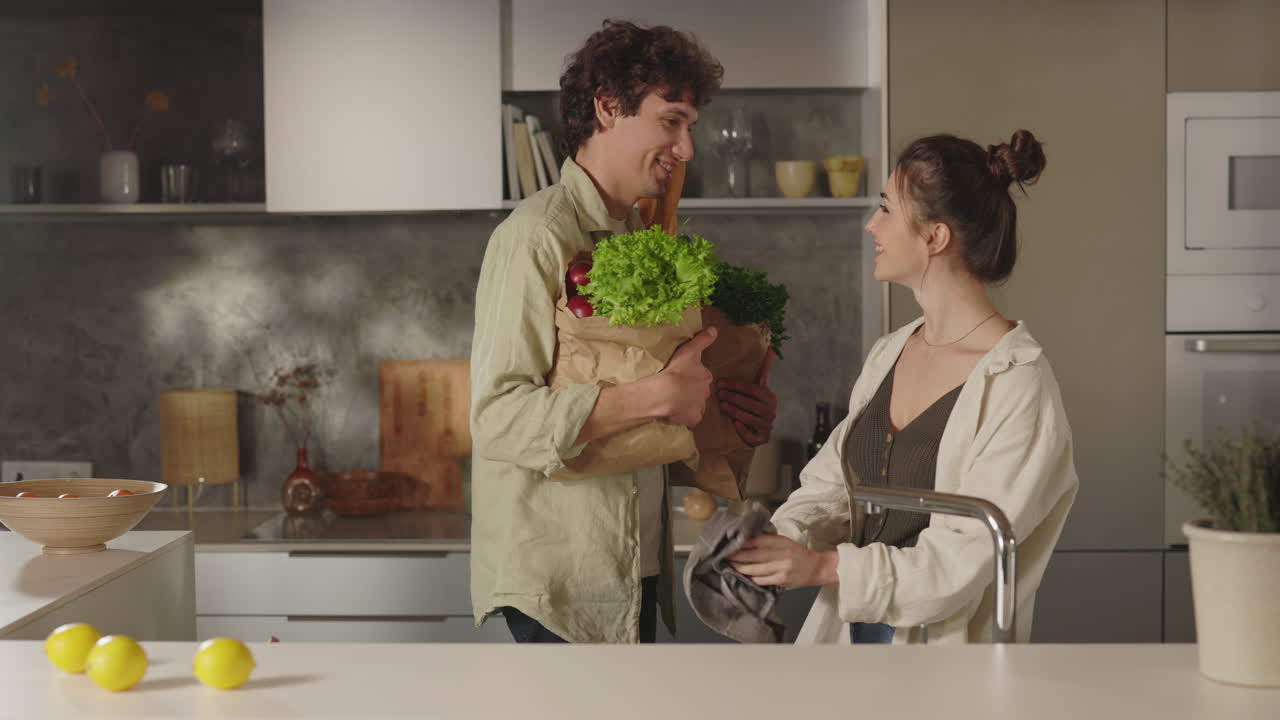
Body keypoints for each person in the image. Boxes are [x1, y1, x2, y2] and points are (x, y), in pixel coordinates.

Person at [469, 19, 778, 644]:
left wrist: (727, 413)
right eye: (672, 121)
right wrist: (661, 397)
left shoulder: (643, 238)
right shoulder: (535, 236)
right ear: (608, 108)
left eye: (689, 126)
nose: (687, 148)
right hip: (561, 579)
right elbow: (496, 418)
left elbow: (638, 411)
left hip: (633, 569)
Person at [730, 130, 1078, 644]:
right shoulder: (890, 352)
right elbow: (831, 488)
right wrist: (780, 540)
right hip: (853, 650)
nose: (872, 224)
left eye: (886, 209)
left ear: (935, 237)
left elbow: (959, 564)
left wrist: (823, 568)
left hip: (951, 676)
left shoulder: (1019, 384)